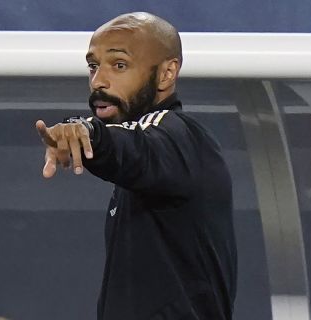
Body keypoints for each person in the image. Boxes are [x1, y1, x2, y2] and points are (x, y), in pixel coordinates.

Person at [36, 12, 237, 320]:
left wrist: (87, 132)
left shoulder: (177, 135)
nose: (98, 81)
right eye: (93, 66)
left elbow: (132, 148)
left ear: (166, 73)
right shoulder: (155, 153)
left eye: (119, 65)